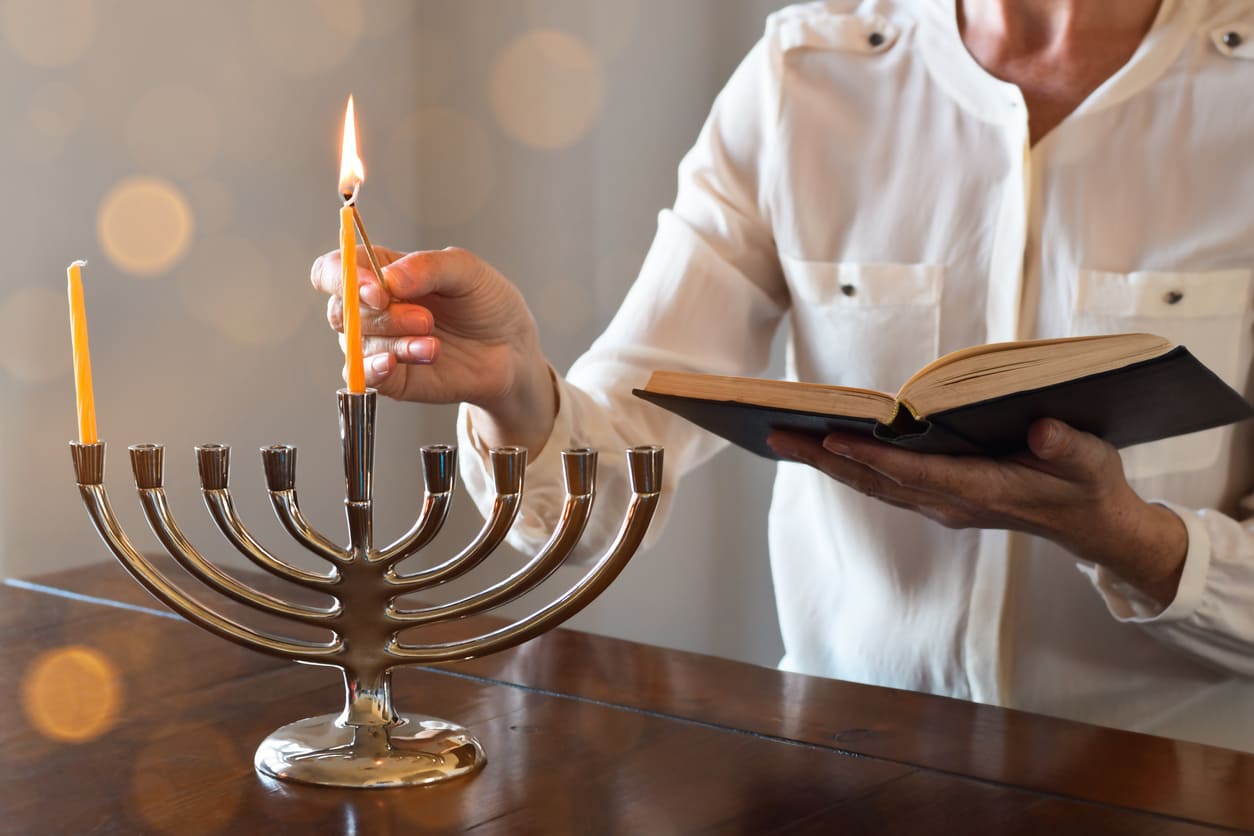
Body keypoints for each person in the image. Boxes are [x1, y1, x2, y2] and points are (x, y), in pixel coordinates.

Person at [312, 0, 1254, 750]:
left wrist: (1132, 540)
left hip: (1175, 780)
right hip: (850, 769)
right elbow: (594, 504)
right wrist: (515, 389)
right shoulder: (803, 78)